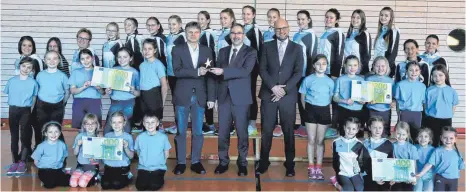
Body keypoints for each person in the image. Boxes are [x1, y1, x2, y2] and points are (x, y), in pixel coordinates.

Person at [256, 18, 303, 177]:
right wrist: (273, 87)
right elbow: (262, 69)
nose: (281, 31)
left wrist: (284, 89)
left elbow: (298, 72)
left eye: (283, 28)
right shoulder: (266, 46)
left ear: (288, 28)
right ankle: (264, 162)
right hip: (269, 94)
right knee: (266, 130)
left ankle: (290, 163)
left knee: (288, 131)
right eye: (277, 29)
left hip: (287, 96)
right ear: (273, 30)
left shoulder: (297, 48)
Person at [209, 23, 257, 176]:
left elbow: (244, 71)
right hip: (223, 98)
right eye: (233, 33)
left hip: (241, 98)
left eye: (239, 33)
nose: (236, 36)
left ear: (243, 35)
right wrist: (214, 97)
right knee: (222, 132)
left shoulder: (251, 52)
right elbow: (215, 77)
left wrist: (223, 71)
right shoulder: (222, 51)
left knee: (242, 132)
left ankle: (242, 163)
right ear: (230, 35)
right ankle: (223, 162)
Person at [171, 21, 215, 175]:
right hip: (183, 95)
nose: (193, 35)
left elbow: (210, 76)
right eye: (190, 32)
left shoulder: (207, 50)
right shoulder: (177, 49)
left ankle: (196, 162)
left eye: (196, 32)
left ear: (200, 33)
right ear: (185, 33)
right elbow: (177, 71)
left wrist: (211, 97)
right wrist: (196, 72)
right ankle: (181, 162)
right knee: (181, 132)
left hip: (201, 96)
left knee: (198, 132)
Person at [299, 54, 334, 180]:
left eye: (324, 63)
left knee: (320, 140)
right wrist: (307, 110)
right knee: (311, 140)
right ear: (314, 65)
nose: (321, 66)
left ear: (327, 66)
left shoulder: (330, 81)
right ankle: (311, 166)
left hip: (323, 111)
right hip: (310, 111)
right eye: (318, 63)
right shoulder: (308, 79)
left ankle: (318, 167)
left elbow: (330, 97)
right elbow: (302, 97)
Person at [4, 57, 38, 177]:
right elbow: (8, 92)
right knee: (14, 136)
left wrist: (30, 110)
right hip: (13, 109)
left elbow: (34, 98)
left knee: (25, 136)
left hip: (25, 110)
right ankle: (15, 161)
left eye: (29, 67)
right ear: (19, 66)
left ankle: (23, 161)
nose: (26, 69)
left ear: (32, 70)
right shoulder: (12, 80)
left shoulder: (33, 83)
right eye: (24, 66)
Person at [35, 50, 69, 145]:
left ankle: (62, 155)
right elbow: (37, 90)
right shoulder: (40, 75)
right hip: (42, 106)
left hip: (57, 107)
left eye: (55, 58)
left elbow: (67, 91)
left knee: (56, 130)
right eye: (49, 59)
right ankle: (44, 153)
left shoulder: (62, 76)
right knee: (44, 129)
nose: (52, 61)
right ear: (45, 61)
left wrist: (62, 102)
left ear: (59, 61)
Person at [416, 126, 464, 191]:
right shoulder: (437, 151)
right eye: (445, 138)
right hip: (440, 178)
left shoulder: (458, 153)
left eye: (451, 138)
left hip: (453, 179)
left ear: (455, 139)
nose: (448, 140)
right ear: (441, 138)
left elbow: (461, 167)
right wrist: (421, 173)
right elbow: (430, 164)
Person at [104, 47, 140, 134]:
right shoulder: (113, 70)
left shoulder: (135, 72)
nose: (122, 59)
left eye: (125, 57)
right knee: (108, 129)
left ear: (130, 58)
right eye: (119, 57)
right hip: (115, 102)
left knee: (126, 127)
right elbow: (109, 90)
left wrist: (133, 90)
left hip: (129, 103)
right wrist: (108, 91)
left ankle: (125, 146)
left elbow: (138, 93)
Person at [332, 117, 371, 191]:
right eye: (348, 128)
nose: (350, 131)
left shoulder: (359, 144)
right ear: (344, 127)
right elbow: (335, 160)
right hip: (342, 173)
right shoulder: (336, 142)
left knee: (360, 189)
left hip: (354, 173)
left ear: (357, 130)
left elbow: (360, 160)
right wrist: (338, 172)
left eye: (353, 129)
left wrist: (359, 172)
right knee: (349, 189)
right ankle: (336, 183)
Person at [135, 112, 171, 191]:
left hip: (158, 167)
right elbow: (138, 152)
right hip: (143, 167)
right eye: (147, 122)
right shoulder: (140, 137)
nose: (150, 125)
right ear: (143, 124)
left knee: (154, 186)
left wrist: (159, 163)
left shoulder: (163, 137)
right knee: (140, 186)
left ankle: (157, 176)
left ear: (157, 123)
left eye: (152, 122)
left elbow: (166, 154)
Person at [424, 64, 458, 146]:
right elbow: (425, 105)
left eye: (440, 75)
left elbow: (454, 106)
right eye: (435, 76)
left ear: (445, 75)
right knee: (433, 140)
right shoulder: (429, 90)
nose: (437, 78)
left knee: (445, 141)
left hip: (446, 120)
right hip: (432, 119)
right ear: (431, 77)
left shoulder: (451, 91)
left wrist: (447, 115)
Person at [69, 49, 104, 129]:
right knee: (78, 127)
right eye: (82, 59)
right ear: (80, 61)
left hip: (94, 102)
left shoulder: (99, 72)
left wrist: (98, 87)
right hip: (79, 102)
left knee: (95, 128)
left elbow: (103, 92)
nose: (85, 61)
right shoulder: (75, 72)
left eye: (87, 58)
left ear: (92, 58)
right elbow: (73, 91)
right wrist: (83, 87)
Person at [100, 112, 134, 190]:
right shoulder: (107, 136)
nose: (116, 125)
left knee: (116, 184)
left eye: (119, 122)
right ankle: (105, 175)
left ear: (124, 123)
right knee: (105, 185)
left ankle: (128, 175)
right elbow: (103, 152)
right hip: (109, 166)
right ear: (111, 124)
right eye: (114, 122)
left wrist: (126, 147)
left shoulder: (128, 137)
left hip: (121, 167)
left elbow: (131, 156)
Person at [333, 55, 365, 137]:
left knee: (357, 136)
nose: (352, 68)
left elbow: (364, 97)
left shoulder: (362, 80)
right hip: (344, 110)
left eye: (355, 65)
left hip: (358, 111)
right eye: (350, 65)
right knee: (344, 134)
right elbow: (335, 98)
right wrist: (345, 101)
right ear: (345, 66)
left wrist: (363, 101)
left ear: (358, 66)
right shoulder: (340, 79)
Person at [32, 121, 70, 189]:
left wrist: (59, 165)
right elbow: (36, 161)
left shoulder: (62, 145)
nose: (53, 134)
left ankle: (59, 178)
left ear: (60, 133)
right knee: (49, 185)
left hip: (57, 169)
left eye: (56, 131)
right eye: (50, 132)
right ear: (46, 134)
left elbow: (64, 156)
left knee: (68, 182)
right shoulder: (41, 146)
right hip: (45, 170)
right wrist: (42, 167)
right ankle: (48, 179)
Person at [165, 15, 187, 133]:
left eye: (174, 24)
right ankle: (177, 123)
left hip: (180, 75)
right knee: (175, 99)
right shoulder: (168, 37)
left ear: (180, 24)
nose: (171, 26)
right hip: (171, 73)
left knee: (180, 99)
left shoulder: (182, 37)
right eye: (169, 24)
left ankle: (181, 125)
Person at [394, 61, 426, 140]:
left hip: (417, 114)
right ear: (406, 71)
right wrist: (399, 114)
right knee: (403, 135)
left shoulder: (422, 86)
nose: (414, 72)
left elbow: (423, 102)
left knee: (416, 135)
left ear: (420, 72)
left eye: (416, 70)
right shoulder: (400, 85)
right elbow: (397, 101)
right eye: (411, 70)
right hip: (404, 113)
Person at [138, 39, 168, 126]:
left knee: (154, 122)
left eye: (150, 49)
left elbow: (164, 85)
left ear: (155, 50)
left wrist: (162, 103)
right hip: (143, 95)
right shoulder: (142, 65)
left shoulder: (158, 64)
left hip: (154, 95)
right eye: (145, 49)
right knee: (145, 121)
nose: (147, 51)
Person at [198, 10, 217, 134]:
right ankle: (206, 122)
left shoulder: (209, 34)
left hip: (207, 70)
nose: (200, 21)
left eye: (202, 19)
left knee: (208, 96)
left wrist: (207, 69)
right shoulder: (198, 33)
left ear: (208, 20)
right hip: (199, 71)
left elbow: (211, 53)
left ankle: (210, 124)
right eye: (198, 19)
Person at [362, 116, 394, 191]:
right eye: (374, 127)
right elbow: (365, 164)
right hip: (369, 174)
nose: (377, 130)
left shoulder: (388, 143)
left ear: (383, 128)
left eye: (380, 127)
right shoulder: (365, 144)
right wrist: (375, 177)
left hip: (384, 175)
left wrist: (392, 177)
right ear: (369, 128)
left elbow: (391, 162)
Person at [70, 113, 101, 188]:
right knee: (73, 184)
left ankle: (96, 177)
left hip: (92, 167)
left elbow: (101, 156)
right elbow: (75, 153)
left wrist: (95, 158)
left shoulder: (99, 138)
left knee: (82, 184)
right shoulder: (80, 136)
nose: (90, 126)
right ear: (84, 125)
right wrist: (78, 145)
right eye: (87, 124)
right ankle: (84, 175)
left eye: (93, 124)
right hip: (81, 166)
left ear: (97, 125)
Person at [366, 56, 394, 137]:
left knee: (384, 133)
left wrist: (393, 102)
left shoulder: (390, 81)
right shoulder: (369, 79)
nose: (380, 68)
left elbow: (393, 97)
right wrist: (368, 100)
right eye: (377, 66)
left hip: (385, 110)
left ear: (387, 67)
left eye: (382, 66)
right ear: (373, 66)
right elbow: (364, 96)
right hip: (372, 110)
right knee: (372, 132)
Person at [391, 121, 419, 191]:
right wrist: (392, 178)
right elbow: (391, 163)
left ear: (407, 134)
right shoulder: (392, 146)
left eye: (403, 134)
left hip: (408, 176)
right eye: (398, 134)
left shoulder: (412, 148)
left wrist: (413, 178)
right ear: (394, 132)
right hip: (396, 177)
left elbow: (414, 164)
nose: (401, 137)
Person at [374, 7, 400, 78]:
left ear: (391, 17)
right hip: (378, 68)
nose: (383, 17)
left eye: (386, 15)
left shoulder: (394, 31)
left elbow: (393, 53)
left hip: (386, 70)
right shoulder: (381, 31)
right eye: (381, 15)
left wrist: (386, 70)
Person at [344, 9, 371, 75]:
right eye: (353, 17)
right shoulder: (349, 33)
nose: (355, 19)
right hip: (348, 71)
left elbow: (366, 55)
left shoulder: (364, 33)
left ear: (362, 20)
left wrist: (362, 72)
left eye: (358, 18)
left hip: (359, 72)